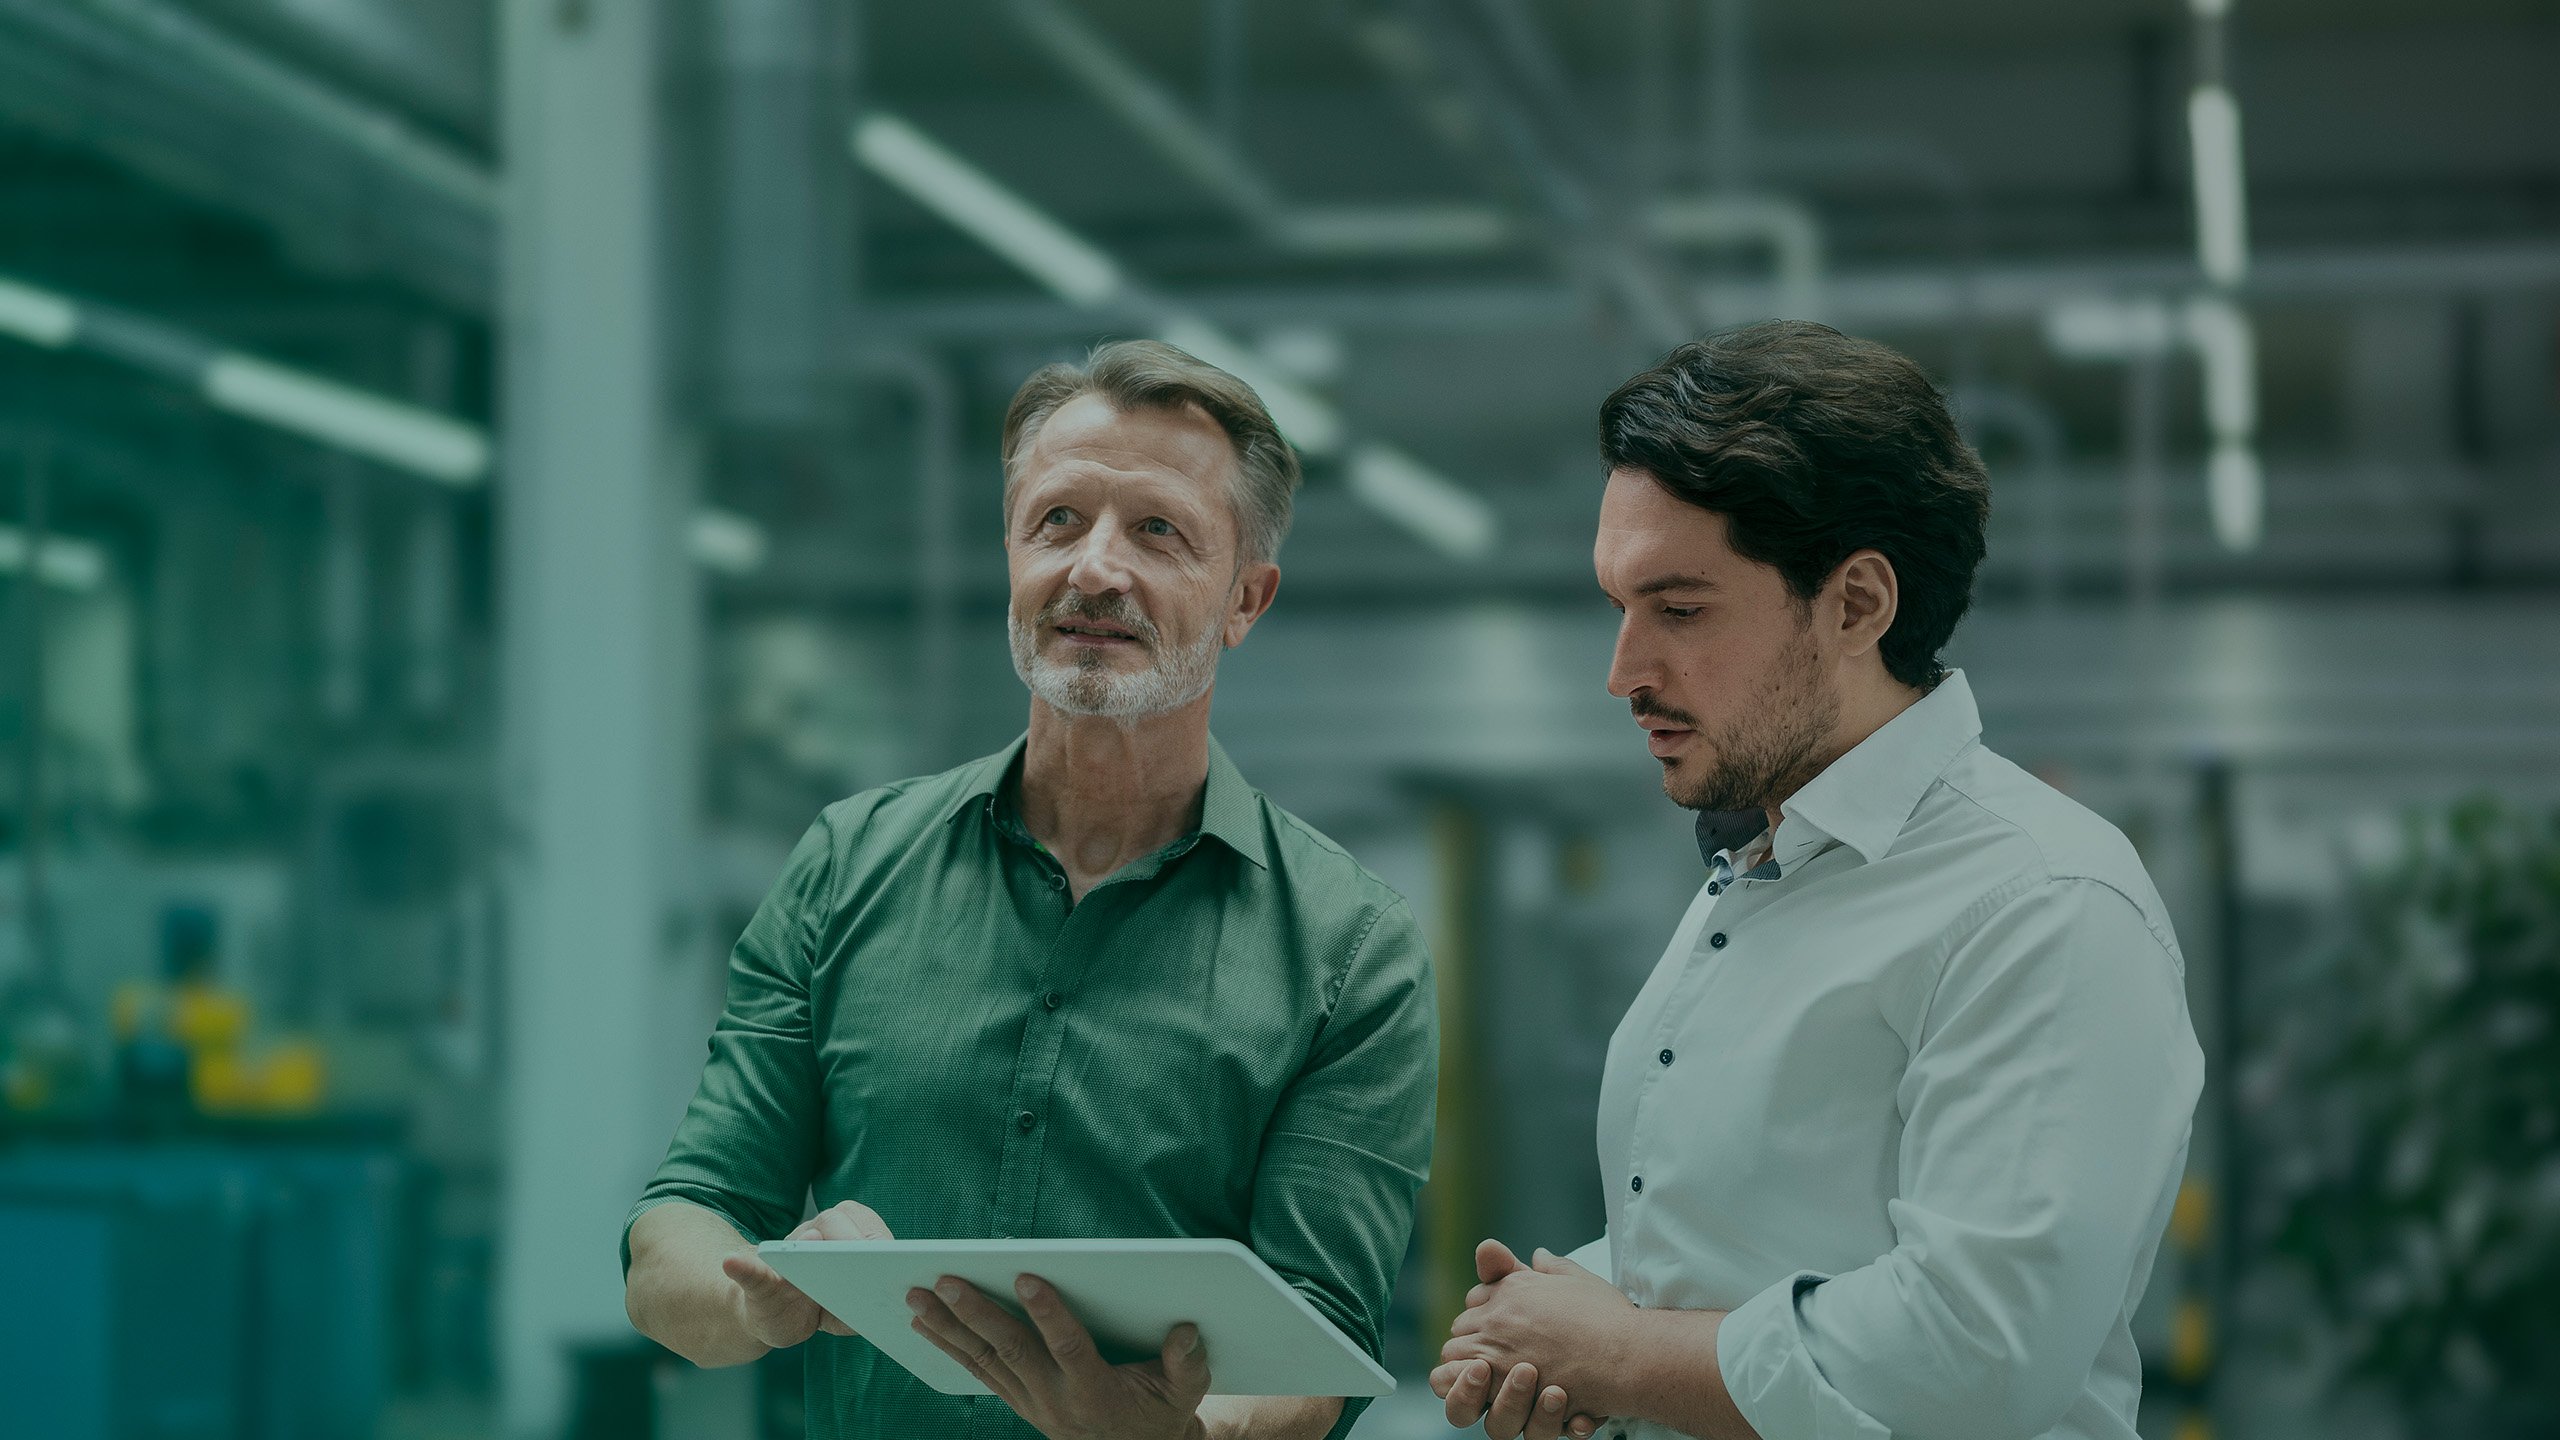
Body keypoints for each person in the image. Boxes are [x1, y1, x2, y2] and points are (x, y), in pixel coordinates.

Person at [624, 339, 1438, 1440]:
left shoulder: (1351, 947)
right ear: (1010, 549)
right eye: (1057, 520)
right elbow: (681, 1225)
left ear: (1247, 597)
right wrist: (754, 1297)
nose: (1093, 569)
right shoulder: (848, 863)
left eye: (1157, 530)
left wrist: (1188, 1435)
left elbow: (1321, 1332)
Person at [1436, 321, 2204, 1440]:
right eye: (1619, 606)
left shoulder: (2042, 901)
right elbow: (1750, 1236)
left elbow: (1978, 1349)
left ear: (1855, 605)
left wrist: (1615, 1352)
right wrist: (1561, 1318)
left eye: (1679, 609)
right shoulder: (1758, 870)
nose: (1623, 673)